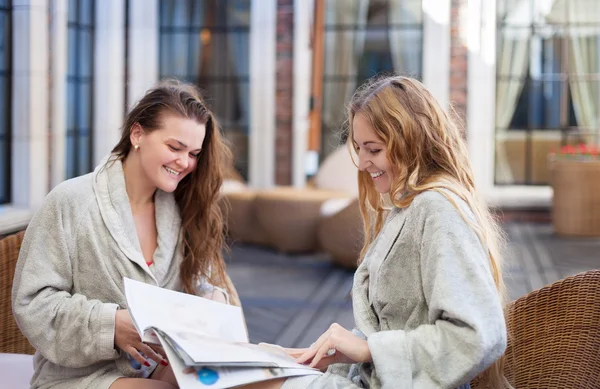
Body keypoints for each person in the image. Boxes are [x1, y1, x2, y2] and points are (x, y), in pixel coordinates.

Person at [242, 75, 510, 389]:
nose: (363, 163)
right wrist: (338, 352)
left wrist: (368, 349)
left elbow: (476, 336)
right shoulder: (409, 207)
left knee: (238, 380)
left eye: (374, 149)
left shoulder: (438, 209)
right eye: (359, 148)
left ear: (412, 141)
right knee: (252, 365)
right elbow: (395, 324)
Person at [12, 80, 235, 389]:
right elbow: (32, 303)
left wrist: (211, 297)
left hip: (159, 367)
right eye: (175, 147)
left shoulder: (183, 209)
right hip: (80, 377)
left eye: (194, 153)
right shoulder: (70, 201)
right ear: (137, 134)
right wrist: (109, 325)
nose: (185, 163)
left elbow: (199, 279)